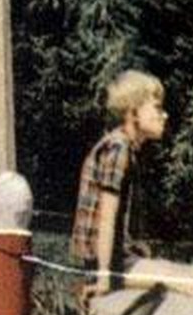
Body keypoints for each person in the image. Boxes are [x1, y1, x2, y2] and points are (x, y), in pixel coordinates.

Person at [70, 70, 168, 296]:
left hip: (117, 260)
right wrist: (104, 277)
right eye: (157, 108)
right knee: (189, 283)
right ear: (133, 113)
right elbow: (107, 217)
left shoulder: (124, 147)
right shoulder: (119, 148)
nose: (164, 115)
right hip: (110, 265)